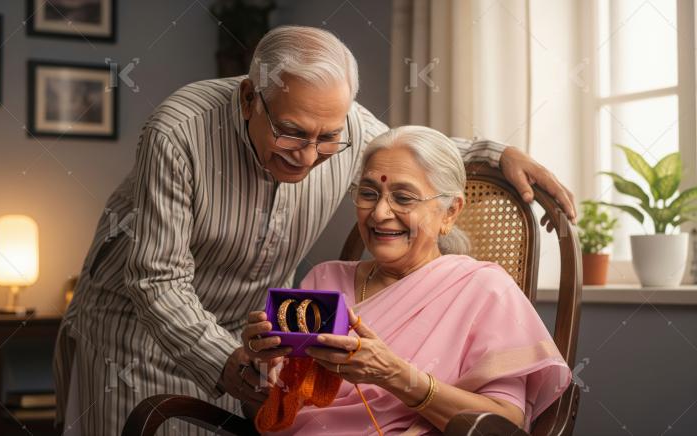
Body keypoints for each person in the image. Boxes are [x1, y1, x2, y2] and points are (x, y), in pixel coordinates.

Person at [53, 26, 575, 435]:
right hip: (141, 335)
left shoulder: (341, 126)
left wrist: (498, 153)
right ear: (248, 99)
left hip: (249, 346)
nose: (308, 157)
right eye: (291, 133)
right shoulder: (180, 133)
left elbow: (412, 154)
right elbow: (158, 282)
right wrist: (233, 364)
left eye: (328, 140)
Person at [244, 126, 572, 434]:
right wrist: (259, 365)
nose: (380, 213)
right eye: (369, 193)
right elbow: (269, 407)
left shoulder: (484, 289)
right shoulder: (324, 279)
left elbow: (502, 424)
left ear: (450, 212)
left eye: (403, 198)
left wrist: (395, 375)